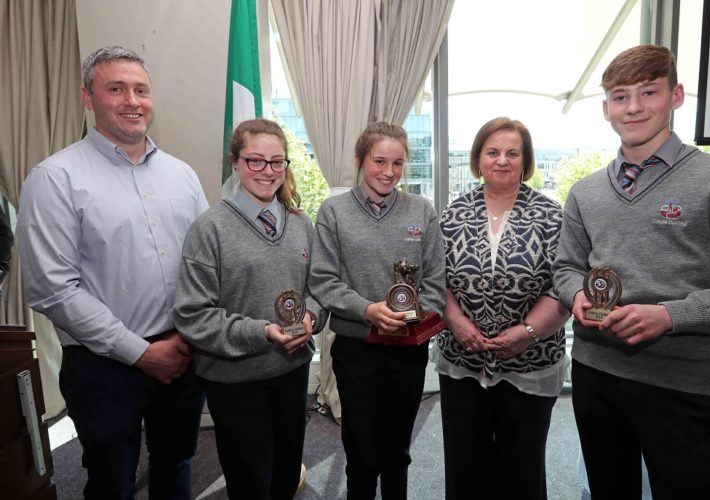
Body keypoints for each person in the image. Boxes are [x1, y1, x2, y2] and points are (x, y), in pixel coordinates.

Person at [551, 44, 710, 499]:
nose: (635, 107)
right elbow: (566, 267)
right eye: (621, 96)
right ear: (606, 109)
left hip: (680, 384)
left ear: (676, 96)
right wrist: (575, 296)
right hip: (594, 375)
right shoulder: (586, 192)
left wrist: (670, 315)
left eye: (649, 92)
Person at [16, 46, 208, 499]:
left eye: (140, 89)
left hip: (182, 353)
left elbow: (206, 264)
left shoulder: (182, 175)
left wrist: (185, 338)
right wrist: (141, 353)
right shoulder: (54, 178)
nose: (131, 100)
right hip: (102, 367)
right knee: (110, 481)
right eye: (115, 88)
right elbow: (53, 290)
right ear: (88, 97)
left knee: (176, 465)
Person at [174, 118, 325, 499]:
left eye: (277, 162)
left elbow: (318, 290)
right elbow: (193, 315)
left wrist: (310, 317)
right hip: (236, 380)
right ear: (235, 163)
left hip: (291, 372)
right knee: (249, 483)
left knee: (286, 475)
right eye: (255, 160)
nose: (267, 171)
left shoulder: (300, 223)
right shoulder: (209, 229)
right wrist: (261, 333)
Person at [432, 117, 570, 500]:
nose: (502, 160)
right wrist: (456, 322)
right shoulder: (451, 214)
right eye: (492, 152)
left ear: (525, 161)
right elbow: (435, 280)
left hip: (532, 360)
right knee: (465, 464)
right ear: (478, 159)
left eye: (513, 153)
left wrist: (527, 333)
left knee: (522, 468)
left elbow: (563, 284)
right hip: (463, 359)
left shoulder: (551, 215)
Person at [308, 121, 446, 500]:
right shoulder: (334, 211)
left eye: (398, 163)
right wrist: (368, 310)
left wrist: (412, 318)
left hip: (408, 349)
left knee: (398, 450)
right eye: (379, 161)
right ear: (359, 160)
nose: (389, 172)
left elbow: (436, 280)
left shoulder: (422, 211)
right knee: (362, 450)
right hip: (357, 348)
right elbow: (323, 280)